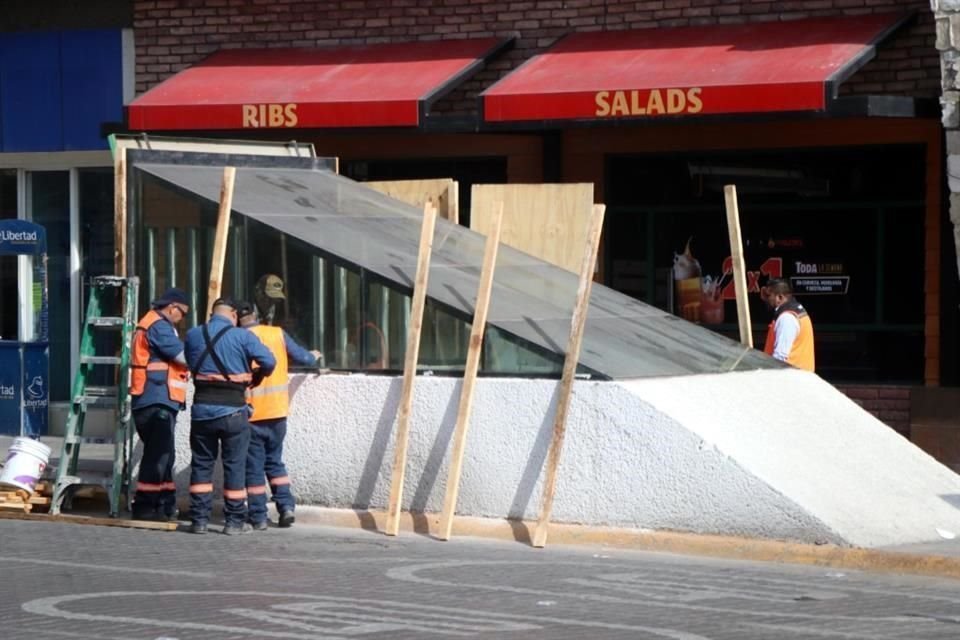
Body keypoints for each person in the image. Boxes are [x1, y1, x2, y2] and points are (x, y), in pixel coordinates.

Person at [184, 298, 276, 535]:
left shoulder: (194, 335)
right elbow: (269, 361)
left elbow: (190, 363)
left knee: (201, 465)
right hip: (233, 410)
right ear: (234, 315)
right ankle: (234, 522)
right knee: (235, 465)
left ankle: (199, 521)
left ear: (213, 313)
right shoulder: (242, 336)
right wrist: (254, 377)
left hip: (202, 409)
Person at [237, 302, 321, 529]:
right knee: (274, 462)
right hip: (277, 411)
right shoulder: (277, 333)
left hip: (251, 412)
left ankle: (258, 516)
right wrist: (314, 356)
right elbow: (304, 359)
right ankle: (286, 507)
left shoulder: (236, 338)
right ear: (256, 315)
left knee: (253, 467)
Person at [129, 288, 191, 522]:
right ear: (172, 307)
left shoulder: (152, 323)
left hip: (152, 399)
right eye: (182, 313)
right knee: (158, 456)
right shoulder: (159, 326)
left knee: (165, 455)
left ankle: (165, 504)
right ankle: (145, 506)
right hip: (156, 398)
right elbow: (182, 357)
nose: (182, 318)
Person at [763, 278, 815, 372]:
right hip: (800, 377)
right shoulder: (796, 311)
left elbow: (780, 357)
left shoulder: (786, 318)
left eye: (769, 295)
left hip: (791, 379)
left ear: (779, 297)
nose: (767, 299)